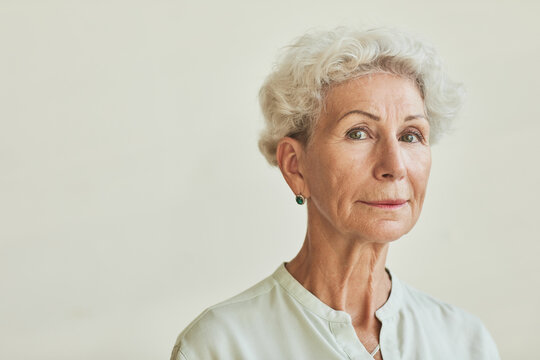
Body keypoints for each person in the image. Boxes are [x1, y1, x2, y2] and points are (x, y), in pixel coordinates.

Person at [170, 26, 501, 360]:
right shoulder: (220, 346)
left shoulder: (465, 342)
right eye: (359, 133)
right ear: (295, 166)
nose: (394, 165)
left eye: (411, 135)